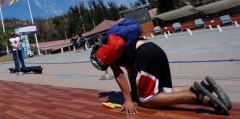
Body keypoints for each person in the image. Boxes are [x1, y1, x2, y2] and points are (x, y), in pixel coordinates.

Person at [91, 19, 231, 115]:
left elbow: (119, 76)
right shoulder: (119, 41)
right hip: (154, 49)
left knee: (147, 101)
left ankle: (198, 97)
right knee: (163, 90)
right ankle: (204, 87)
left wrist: (128, 101)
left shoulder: (107, 53)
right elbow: (130, 72)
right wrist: (134, 93)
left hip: (144, 55)